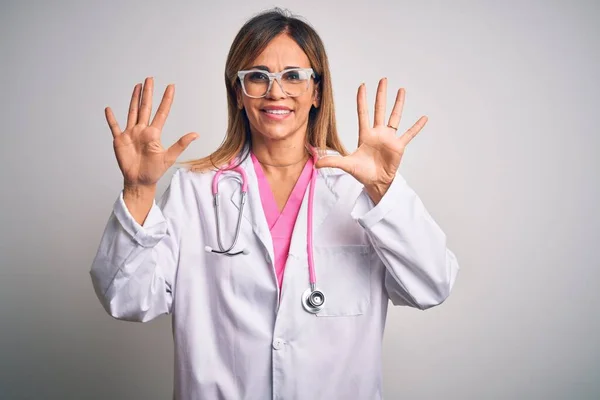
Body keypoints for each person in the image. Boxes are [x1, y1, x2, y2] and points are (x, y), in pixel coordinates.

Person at [90, 8, 459, 400]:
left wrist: (385, 188)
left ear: (317, 91)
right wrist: (138, 190)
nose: (276, 91)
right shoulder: (195, 191)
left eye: (294, 77)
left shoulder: (358, 190)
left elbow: (431, 285)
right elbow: (127, 299)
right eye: (257, 76)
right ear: (239, 91)